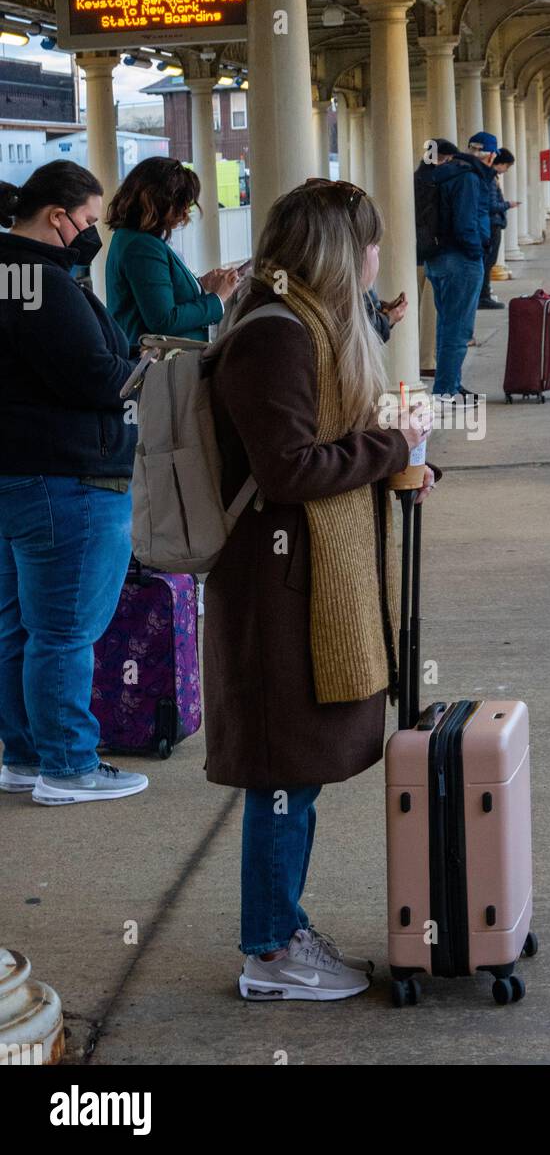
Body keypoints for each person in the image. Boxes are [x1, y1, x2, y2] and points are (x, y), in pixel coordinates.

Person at [203, 177, 437, 1002]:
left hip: (294, 577)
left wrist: (398, 464)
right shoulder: (278, 336)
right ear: (344, 251)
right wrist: (387, 446)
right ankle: (268, 950)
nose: (379, 257)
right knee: (280, 772)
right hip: (276, 590)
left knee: (292, 770)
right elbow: (289, 466)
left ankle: (280, 929)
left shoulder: (299, 323)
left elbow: (317, 449)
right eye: (370, 242)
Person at [0, 163, 148, 806]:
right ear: (57, 217)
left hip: (15, 474)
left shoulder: (7, 274)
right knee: (64, 631)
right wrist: (144, 368)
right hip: (69, 476)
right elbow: (93, 377)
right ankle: (68, 766)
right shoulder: (46, 283)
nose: (91, 232)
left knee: (18, 628)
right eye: (87, 221)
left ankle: (25, 755)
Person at [105, 157, 238, 351]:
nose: (185, 213)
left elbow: (156, 293)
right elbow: (163, 320)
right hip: (159, 364)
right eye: (180, 204)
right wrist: (218, 298)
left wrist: (201, 284)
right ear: (158, 201)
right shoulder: (143, 246)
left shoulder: (132, 238)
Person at [414, 136, 485, 400]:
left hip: (434, 260)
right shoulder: (462, 178)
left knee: (446, 325)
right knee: (459, 329)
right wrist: (477, 252)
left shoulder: (421, 179)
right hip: (459, 260)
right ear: (450, 157)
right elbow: (465, 222)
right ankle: (445, 390)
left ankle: (451, 384)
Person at [478, 147, 521, 310]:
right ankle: (484, 296)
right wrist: (507, 205)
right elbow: (491, 205)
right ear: (500, 163)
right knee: (488, 262)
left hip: (491, 223)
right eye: (507, 166)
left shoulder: (489, 178)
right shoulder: (490, 179)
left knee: (488, 262)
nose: (506, 170)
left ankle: (484, 294)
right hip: (492, 224)